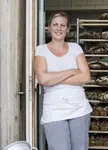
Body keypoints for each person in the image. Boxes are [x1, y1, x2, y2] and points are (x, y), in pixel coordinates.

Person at [34, 12, 92, 150]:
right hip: (54, 110)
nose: (58, 28)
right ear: (48, 27)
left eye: (62, 25)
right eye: (55, 24)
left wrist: (53, 78)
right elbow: (42, 79)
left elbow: (85, 77)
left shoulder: (75, 48)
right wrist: (71, 71)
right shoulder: (41, 50)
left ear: (67, 29)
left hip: (79, 108)